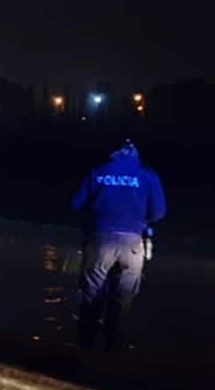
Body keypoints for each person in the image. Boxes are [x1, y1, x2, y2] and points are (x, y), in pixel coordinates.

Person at [71, 139, 166, 352]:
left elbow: (76, 204)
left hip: (100, 240)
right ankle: (114, 351)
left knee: (91, 294)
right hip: (133, 242)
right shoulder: (148, 175)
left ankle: (86, 349)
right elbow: (159, 212)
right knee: (123, 299)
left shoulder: (98, 172)